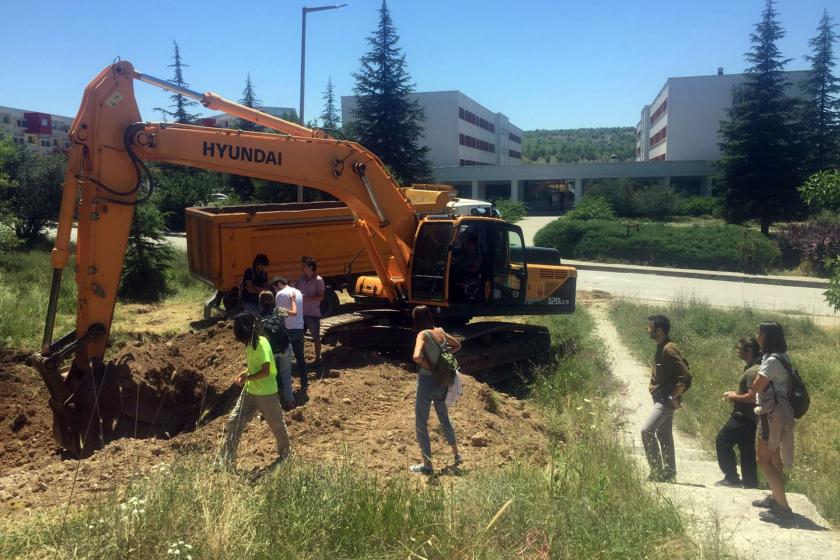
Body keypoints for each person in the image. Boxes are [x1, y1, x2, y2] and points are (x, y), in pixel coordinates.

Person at [216, 313, 290, 469]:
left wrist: (248, 377)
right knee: (234, 421)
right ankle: (225, 460)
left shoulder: (261, 344)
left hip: (266, 393)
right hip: (251, 391)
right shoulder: (249, 344)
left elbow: (265, 370)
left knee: (276, 424)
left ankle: (285, 456)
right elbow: (255, 367)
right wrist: (245, 373)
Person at [751, 322, 796, 524]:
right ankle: (776, 498)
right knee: (774, 458)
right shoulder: (781, 356)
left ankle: (783, 508)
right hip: (779, 412)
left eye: (759, 333)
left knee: (763, 459)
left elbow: (757, 385)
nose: (756, 336)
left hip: (771, 415)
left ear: (767, 336)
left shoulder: (771, 361)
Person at [410, 305, 462, 475]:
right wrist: (442, 361)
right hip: (443, 381)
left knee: (421, 422)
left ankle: (427, 465)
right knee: (443, 417)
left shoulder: (422, 335)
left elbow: (416, 357)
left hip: (427, 382)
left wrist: (431, 365)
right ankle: (456, 455)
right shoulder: (440, 331)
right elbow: (457, 345)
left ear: (416, 319)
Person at [641, 314, 691, 483]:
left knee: (646, 431)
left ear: (659, 330)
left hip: (665, 400)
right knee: (664, 437)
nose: (648, 330)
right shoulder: (662, 346)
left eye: (650, 327)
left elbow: (686, 376)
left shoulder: (668, 349)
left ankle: (656, 471)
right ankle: (669, 474)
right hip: (661, 398)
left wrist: (673, 395)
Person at [716, 337, 760, 488]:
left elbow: (753, 397)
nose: (737, 351)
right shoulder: (752, 368)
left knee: (722, 441)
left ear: (749, 350)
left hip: (743, 417)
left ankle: (731, 478)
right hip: (750, 418)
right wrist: (735, 393)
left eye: (739, 348)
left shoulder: (753, 371)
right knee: (746, 449)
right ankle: (750, 482)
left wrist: (734, 397)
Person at [259, 291, 295, 410]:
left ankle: (273, 405)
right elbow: (294, 313)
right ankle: (290, 402)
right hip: (285, 346)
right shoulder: (278, 310)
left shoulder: (258, 317)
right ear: (273, 300)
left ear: (260, 303)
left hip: (271, 351)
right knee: (286, 375)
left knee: (271, 377)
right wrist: (293, 301)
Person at [272, 276, 307, 400]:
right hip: (299, 327)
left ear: (279, 284)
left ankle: (283, 390)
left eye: (275, 288)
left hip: (288, 330)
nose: (275, 291)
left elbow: (280, 314)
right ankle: (304, 382)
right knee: (300, 357)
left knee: (283, 361)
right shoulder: (297, 292)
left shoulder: (280, 294)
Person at [295, 257, 325, 364]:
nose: (302, 268)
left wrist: (306, 297)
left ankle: (318, 358)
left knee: (316, 336)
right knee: (300, 338)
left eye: (304, 266)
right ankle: (301, 359)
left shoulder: (318, 280)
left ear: (311, 267)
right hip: (301, 314)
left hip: (312, 314)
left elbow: (321, 297)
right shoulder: (301, 280)